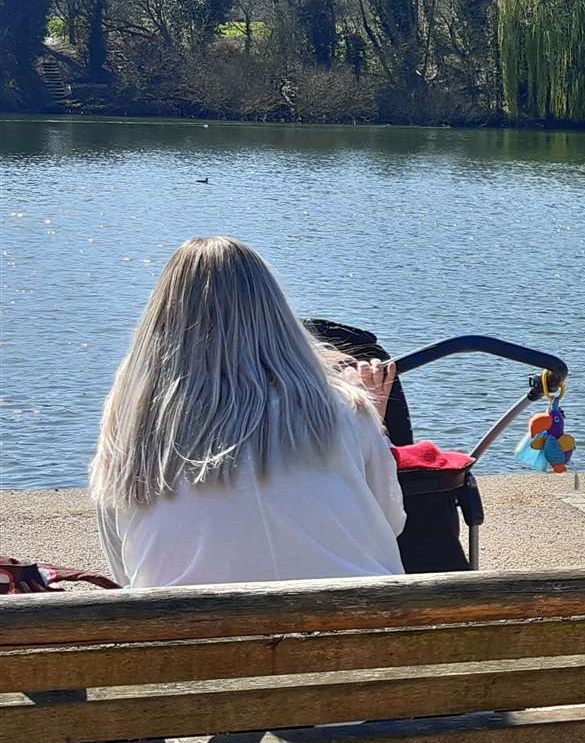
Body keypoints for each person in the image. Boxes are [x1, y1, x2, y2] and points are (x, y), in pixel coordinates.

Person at [89, 236, 406, 588]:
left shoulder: (133, 422)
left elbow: (123, 565)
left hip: (189, 636)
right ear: (276, 313)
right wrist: (374, 419)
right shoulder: (344, 408)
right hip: (352, 631)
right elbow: (390, 521)